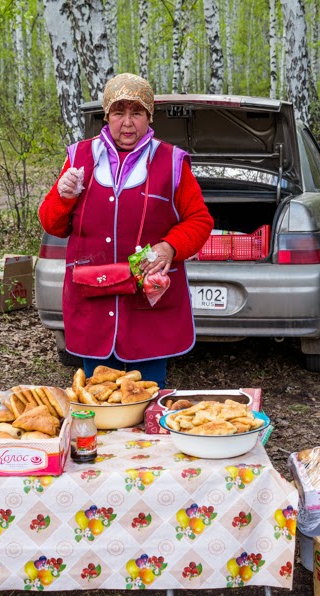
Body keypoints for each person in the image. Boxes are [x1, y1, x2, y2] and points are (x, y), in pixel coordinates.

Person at [39, 73, 214, 388]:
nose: (128, 122)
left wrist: (170, 247)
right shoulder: (79, 159)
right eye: (119, 112)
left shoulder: (171, 162)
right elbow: (52, 224)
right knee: (100, 399)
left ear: (149, 116)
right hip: (94, 302)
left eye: (137, 112)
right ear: (107, 116)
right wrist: (64, 197)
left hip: (148, 306)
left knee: (147, 400)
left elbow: (199, 220)